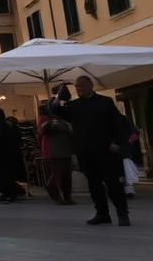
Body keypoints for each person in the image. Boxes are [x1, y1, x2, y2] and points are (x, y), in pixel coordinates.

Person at [49, 75, 130, 226]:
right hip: (85, 152)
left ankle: (122, 213)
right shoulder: (74, 105)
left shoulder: (105, 102)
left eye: (81, 85)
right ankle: (102, 213)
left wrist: (116, 142)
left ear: (90, 85)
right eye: (76, 86)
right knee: (94, 184)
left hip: (106, 150)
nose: (78, 88)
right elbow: (55, 110)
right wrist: (58, 95)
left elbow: (118, 124)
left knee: (113, 183)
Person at [38, 101, 73, 205]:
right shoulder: (46, 119)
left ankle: (67, 196)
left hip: (64, 148)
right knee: (59, 172)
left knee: (67, 173)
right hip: (54, 148)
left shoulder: (62, 120)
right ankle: (54, 190)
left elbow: (70, 130)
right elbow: (42, 130)